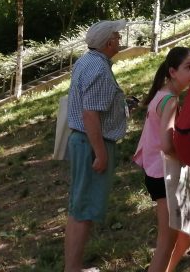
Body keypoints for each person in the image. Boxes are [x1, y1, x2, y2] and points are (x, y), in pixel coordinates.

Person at [64, 19, 129, 272]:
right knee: (84, 211)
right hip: (92, 144)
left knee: (78, 208)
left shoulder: (87, 61)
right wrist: (100, 155)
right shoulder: (99, 69)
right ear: (109, 42)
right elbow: (90, 114)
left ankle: (74, 267)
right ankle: (73, 269)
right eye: (117, 36)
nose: (120, 39)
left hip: (84, 141)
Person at [133, 45, 190, 272]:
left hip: (164, 173)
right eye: (188, 67)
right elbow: (167, 144)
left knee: (187, 234)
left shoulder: (163, 95)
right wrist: (189, 157)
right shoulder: (169, 100)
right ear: (172, 72)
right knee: (167, 242)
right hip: (166, 175)